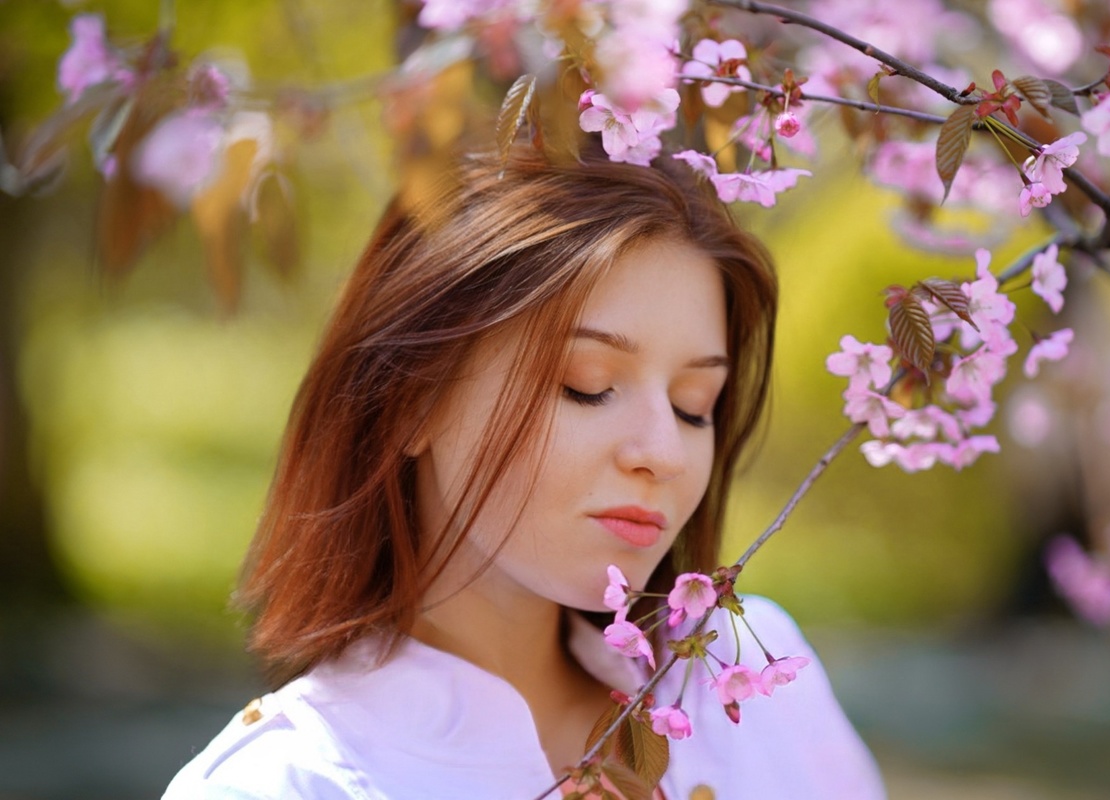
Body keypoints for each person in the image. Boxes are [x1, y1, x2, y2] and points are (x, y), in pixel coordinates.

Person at [162, 142, 885, 799]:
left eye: (695, 406)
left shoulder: (748, 678)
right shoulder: (289, 783)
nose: (662, 453)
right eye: (587, 384)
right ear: (413, 398)